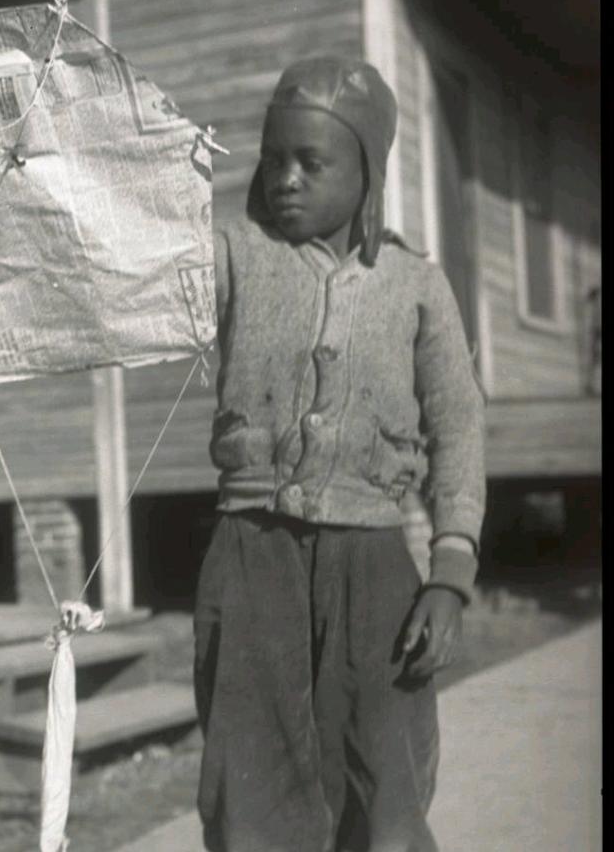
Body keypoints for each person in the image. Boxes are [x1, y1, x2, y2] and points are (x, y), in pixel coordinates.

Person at [194, 56, 486, 852]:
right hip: (250, 557)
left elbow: (458, 424)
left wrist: (451, 575)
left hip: (375, 567)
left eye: (312, 162)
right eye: (273, 159)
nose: (286, 179)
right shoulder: (232, 258)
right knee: (250, 784)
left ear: (367, 172)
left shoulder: (416, 285)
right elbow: (144, 296)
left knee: (385, 781)